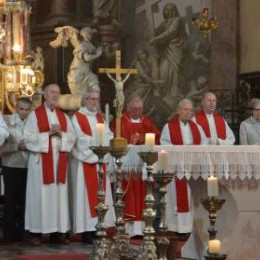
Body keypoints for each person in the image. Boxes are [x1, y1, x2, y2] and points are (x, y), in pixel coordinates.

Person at [23, 84, 76, 245]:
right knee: (40, 196)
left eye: (58, 93)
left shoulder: (63, 116)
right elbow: (27, 139)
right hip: (40, 163)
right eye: (52, 92)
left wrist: (62, 134)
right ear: (45, 95)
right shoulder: (34, 115)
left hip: (59, 161)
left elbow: (72, 138)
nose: (55, 95)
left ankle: (57, 232)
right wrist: (48, 134)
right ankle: (36, 233)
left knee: (58, 197)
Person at [70, 86, 115, 244]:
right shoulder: (77, 117)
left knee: (100, 196)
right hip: (86, 164)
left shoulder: (99, 117)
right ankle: (87, 231)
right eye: (92, 99)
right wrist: (97, 144)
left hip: (99, 163)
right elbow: (79, 140)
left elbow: (109, 135)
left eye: (97, 99)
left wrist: (103, 145)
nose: (95, 102)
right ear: (85, 99)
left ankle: (99, 227)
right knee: (86, 197)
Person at [111, 96, 161, 237]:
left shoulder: (147, 122)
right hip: (128, 166)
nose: (138, 111)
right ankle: (127, 229)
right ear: (128, 108)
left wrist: (143, 140)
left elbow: (155, 138)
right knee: (129, 195)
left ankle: (141, 228)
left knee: (143, 195)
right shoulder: (120, 122)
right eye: (134, 109)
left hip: (143, 167)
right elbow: (116, 139)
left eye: (140, 109)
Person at [160, 99, 207, 234]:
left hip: (193, 169)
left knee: (192, 198)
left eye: (190, 110)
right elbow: (164, 146)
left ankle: (190, 228)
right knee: (176, 198)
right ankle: (175, 228)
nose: (188, 112)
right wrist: (180, 149)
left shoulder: (197, 127)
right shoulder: (169, 127)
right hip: (177, 170)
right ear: (178, 111)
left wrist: (193, 149)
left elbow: (204, 144)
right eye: (185, 109)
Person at [1, 97, 32, 242]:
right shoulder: (6, 121)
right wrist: (16, 147)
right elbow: (1, 146)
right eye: (21, 109)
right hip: (11, 165)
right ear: (15, 107)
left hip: (28, 166)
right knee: (11, 200)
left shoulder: (32, 123)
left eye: (27, 110)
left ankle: (23, 232)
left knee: (25, 201)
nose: (24, 112)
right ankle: (8, 233)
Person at [149, 2, 187, 98]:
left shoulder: (177, 20)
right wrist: (151, 29)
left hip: (176, 50)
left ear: (175, 11)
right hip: (166, 52)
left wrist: (155, 39)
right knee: (164, 70)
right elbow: (157, 32)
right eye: (166, 9)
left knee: (175, 72)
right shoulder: (163, 24)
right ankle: (165, 93)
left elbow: (170, 33)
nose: (169, 11)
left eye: (171, 9)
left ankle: (176, 93)